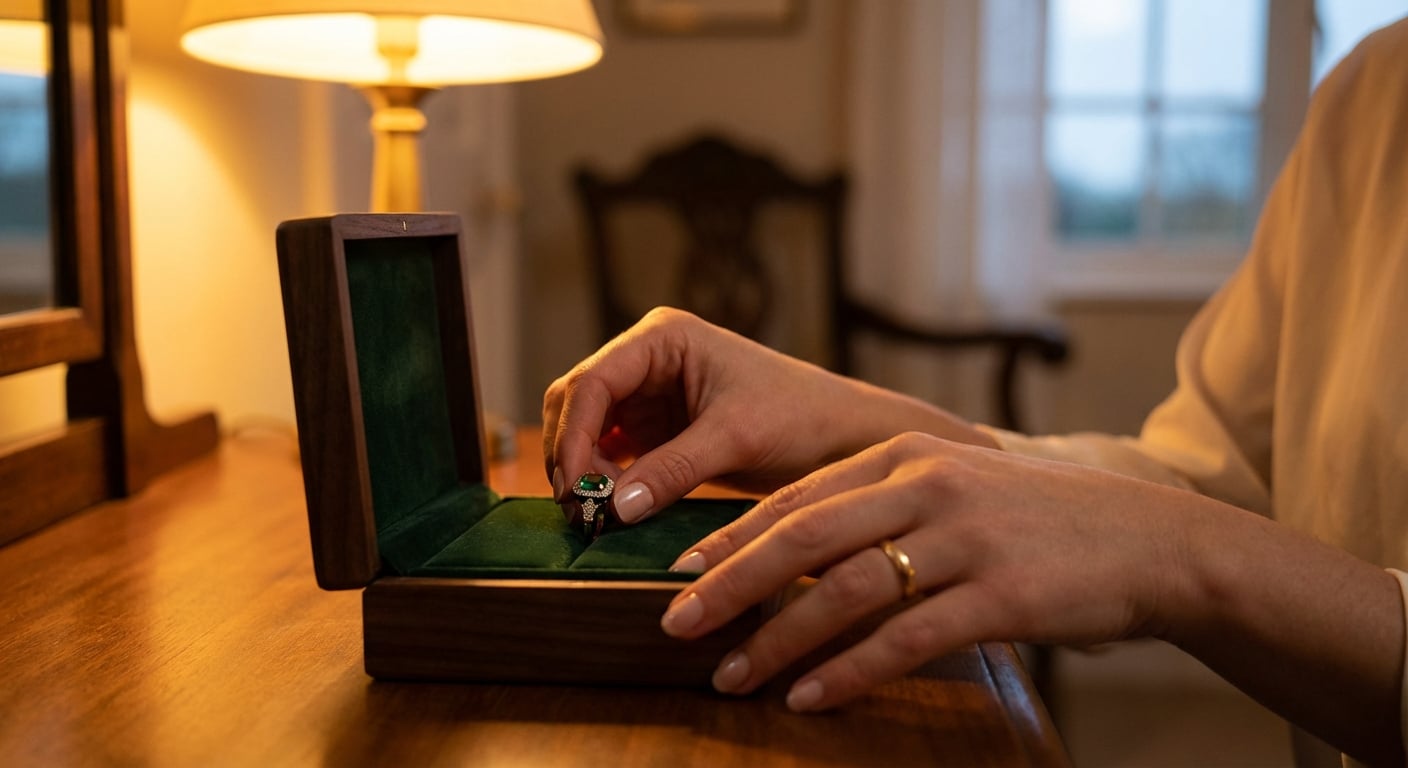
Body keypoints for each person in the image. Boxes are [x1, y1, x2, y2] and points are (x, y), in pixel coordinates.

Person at [542, 17, 1408, 768]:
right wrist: (848, 418)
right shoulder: (1373, 89)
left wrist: (1172, 552)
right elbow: (1208, 481)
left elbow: (1182, 530)